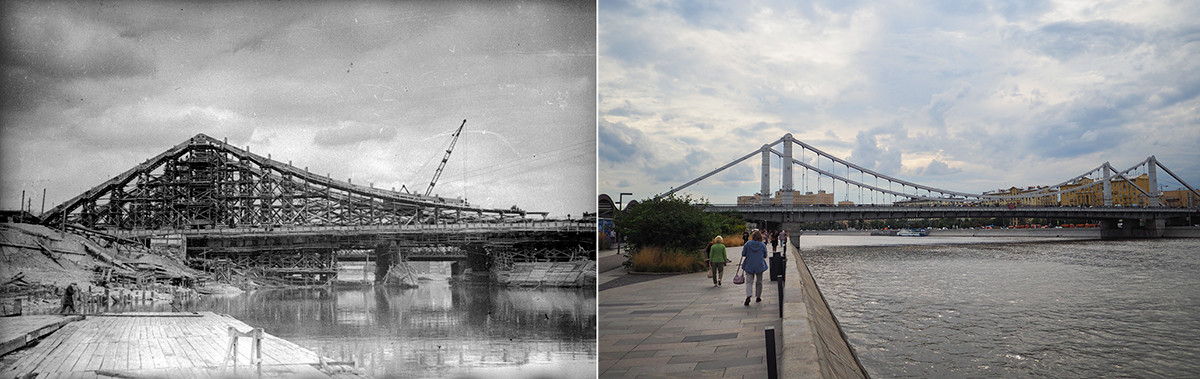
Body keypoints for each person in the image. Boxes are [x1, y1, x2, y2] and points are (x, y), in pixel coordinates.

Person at [741, 230, 769, 306]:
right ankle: (758, 296)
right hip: (759, 265)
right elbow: (765, 255)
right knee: (759, 281)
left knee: (749, 282)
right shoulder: (762, 245)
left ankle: (748, 296)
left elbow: (743, 254)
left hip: (749, 264)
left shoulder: (747, 244)